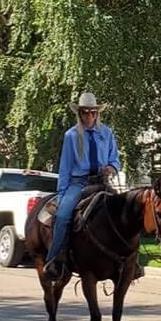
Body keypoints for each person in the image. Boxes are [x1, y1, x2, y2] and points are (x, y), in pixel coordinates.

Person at [43, 92, 121, 279]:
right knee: (63, 216)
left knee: (124, 211)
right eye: (85, 112)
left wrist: (112, 167)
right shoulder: (71, 135)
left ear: (97, 113)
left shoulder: (106, 133)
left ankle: (129, 261)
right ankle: (55, 259)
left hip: (102, 181)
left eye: (93, 112)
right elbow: (65, 166)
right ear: (79, 113)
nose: (89, 116)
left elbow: (115, 158)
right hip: (79, 183)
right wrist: (62, 193)